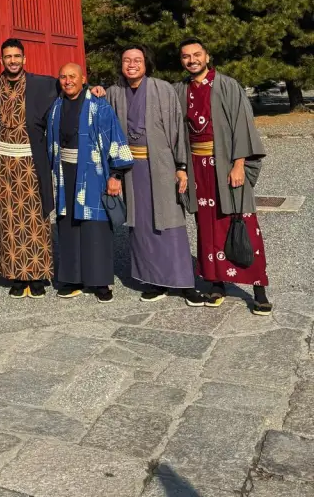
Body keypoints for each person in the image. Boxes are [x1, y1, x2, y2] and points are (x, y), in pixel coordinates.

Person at [176, 39, 271, 314]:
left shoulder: (227, 85)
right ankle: (216, 282)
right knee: (206, 224)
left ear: (207, 56)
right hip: (197, 165)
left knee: (241, 221)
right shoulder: (180, 90)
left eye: (197, 55)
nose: (192, 60)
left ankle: (258, 288)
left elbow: (242, 124)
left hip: (226, 164)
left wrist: (239, 164)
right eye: (186, 57)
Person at [105, 47, 203, 305]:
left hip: (161, 164)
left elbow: (177, 130)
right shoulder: (114, 93)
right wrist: (94, 90)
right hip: (131, 168)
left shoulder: (162, 89)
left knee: (170, 222)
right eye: (127, 60)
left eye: (137, 60)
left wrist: (181, 166)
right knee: (141, 225)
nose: (132, 65)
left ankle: (183, 282)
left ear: (146, 64)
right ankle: (153, 280)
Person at [47, 62, 133, 302]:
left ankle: (100, 281)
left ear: (83, 79)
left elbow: (115, 138)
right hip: (66, 171)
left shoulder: (99, 106)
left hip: (94, 172)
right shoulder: (56, 106)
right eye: (63, 77)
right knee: (68, 224)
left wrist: (115, 175)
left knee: (95, 225)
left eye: (72, 76)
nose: (67, 81)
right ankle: (72, 278)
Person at [0, 39, 57, 297]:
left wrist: (95, 88)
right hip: (2, 162)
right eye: (8, 56)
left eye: (17, 56)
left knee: (36, 218)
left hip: (31, 161)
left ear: (25, 59)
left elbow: (70, 83)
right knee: (8, 220)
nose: (12, 61)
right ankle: (15, 276)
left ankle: (37, 275)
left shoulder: (42, 84)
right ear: (1, 60)